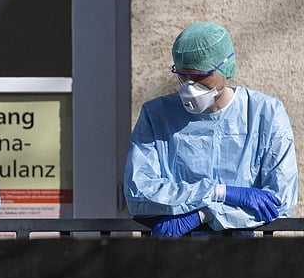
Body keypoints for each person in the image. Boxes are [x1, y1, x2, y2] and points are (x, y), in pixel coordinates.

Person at [124, 21, 298, 237]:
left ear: (225, 67)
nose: (189, 85)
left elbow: (279, 201)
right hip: (175, 257)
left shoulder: (265, 114)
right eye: (182, 75)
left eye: (199, 76)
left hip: (241, 258)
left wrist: (205, 215)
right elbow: (139, 192)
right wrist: (219, 192)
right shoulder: (156, 115)